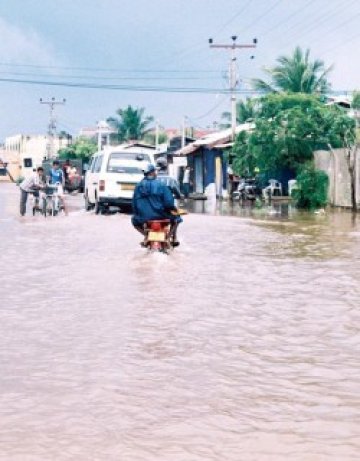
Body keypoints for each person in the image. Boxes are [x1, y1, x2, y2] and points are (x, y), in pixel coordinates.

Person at [132, 164, 182, 246]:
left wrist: (138, 214)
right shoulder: (161, 185)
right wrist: (173, 209)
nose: (156, 173)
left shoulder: (138, 186)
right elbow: (169, 202)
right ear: (152, 173)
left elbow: (134, 204)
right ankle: (170, 237)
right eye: (155, 171)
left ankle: (146, 236)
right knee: (177, 218)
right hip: (161, 215)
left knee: (134, 221)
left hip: (144, 217)